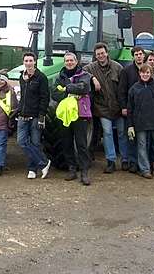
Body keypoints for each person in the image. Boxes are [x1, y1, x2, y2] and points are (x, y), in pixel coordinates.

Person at [52, 52, 93, 185]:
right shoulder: (59, 76)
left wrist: (67, 88)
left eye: (71, 60)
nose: (69, 62)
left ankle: (84, 172)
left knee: (81, 143)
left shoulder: (84, 75)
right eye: (67, 60)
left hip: (80, 114)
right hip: (65, 115)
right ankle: (72, 169)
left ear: (76, 61)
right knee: (66, 142)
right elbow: (54, 93)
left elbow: (84, 87)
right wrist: (71, 93)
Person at [83, 42, 124, 173]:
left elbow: (123, 88)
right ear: (95, 56)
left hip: (117, 106)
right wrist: (93, 78)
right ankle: (111, 161)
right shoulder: (91, 68)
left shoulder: (117, 67)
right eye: (98, 54)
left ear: (107, 53)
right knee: (107, 132)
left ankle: (126, 159)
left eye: (102, 53)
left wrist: (123, 106)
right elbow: (81, 72)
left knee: (122, 133)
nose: (101, 56)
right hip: (102, 108)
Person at [127, 63, 154, 179]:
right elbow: (130, 109)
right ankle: (145, 170)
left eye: (147, 72)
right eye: (143, 72)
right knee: (142, 147)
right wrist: (130, 126)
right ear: (139, 73)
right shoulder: (134, 89)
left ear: (151, 74)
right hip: (140, 123)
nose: (145, 75)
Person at [17, 51, 51, 180]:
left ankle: (32, 169)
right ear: (23, 62)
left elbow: (44, 97)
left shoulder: (41, 77)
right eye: (26, 61)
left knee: (35, 143)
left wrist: (41, 115)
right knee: (22, 141)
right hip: (23, 115)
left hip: (36, 115)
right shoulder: (22, 77)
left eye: (31, 60)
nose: (28, 63)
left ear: (35, 62)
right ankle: (44, 163)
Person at [118, 46, 146, 172]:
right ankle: (132, 162)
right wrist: (123, 106)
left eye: (140, 54)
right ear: (133, 56)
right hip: (131, 108)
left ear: (144, 56)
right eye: (136, 54)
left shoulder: (148, 70)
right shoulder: (126, 70)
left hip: (146, 109)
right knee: (131, 136)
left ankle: (144, 163)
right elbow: (122, 90)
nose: (139, 56)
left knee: (144, 138)